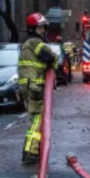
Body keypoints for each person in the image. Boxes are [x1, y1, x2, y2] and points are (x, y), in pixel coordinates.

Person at [19, 13, 59, 165]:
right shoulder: (35, 43)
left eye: (43, 28)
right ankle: (30, 152)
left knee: (36, 120)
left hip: (31, 86)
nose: (43, 31)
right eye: (40, 28)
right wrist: (54, 61)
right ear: (33, 29)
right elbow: (50, 56)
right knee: (36, 120)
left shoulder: (29, 43)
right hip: (35, 86)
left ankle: (32, 150)